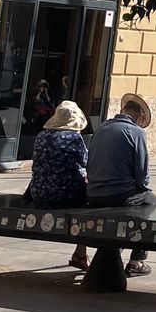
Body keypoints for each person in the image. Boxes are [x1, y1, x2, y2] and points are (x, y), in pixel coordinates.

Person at [86, 93, 156, 277]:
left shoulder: (102, 128)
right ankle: (137, 260)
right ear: (140, 115)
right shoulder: (137, 132)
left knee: (135, 204)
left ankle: (116, 250)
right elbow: (143, 176)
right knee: (155, 205)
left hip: (93, 193)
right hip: (119, 194)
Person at [23, 100, 90, 270]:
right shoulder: (74, 138)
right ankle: (81, 252)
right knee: (90, 206)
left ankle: (80, 254)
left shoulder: (41, 136)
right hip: (66, 193)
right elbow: (87, 162)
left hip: (38, 192)